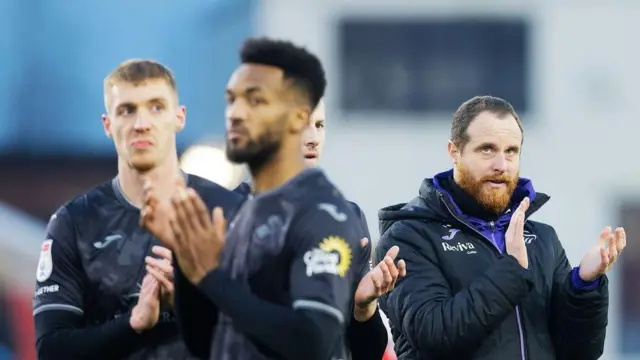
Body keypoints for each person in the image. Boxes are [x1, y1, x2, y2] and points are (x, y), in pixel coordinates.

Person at [142, 37, 368, 360]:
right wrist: (187, 262)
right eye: (231, 100)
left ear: (296, 118)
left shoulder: (323, 213)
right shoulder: (244, 211)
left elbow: (313, 341)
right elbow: (207, 344)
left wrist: (211, 278)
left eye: (255, 101)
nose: (236, 113)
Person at [375, 95, 625, 360]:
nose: (501, 165)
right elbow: (435, 334)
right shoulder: (409, 237)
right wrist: (512, 271)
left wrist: (584, 285)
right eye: (487, 149)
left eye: (511, 151)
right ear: (454, 152)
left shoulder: (543, 239)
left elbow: (579, 351)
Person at [32, 59, 242, 359]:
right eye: (127, 110)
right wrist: (133, 324)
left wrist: (194, 298)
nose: (141, 123)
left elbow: (269, 338)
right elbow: (51, 350)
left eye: (156, 107)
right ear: (108, 125)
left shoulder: (231, 213)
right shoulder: (75, 223)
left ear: (179, 117)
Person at [233, 98, 405, 359]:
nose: (313, 137)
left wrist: (364, 308)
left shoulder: (349, 217)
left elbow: (367, 352)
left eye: (320, 125)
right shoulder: (225, 215)